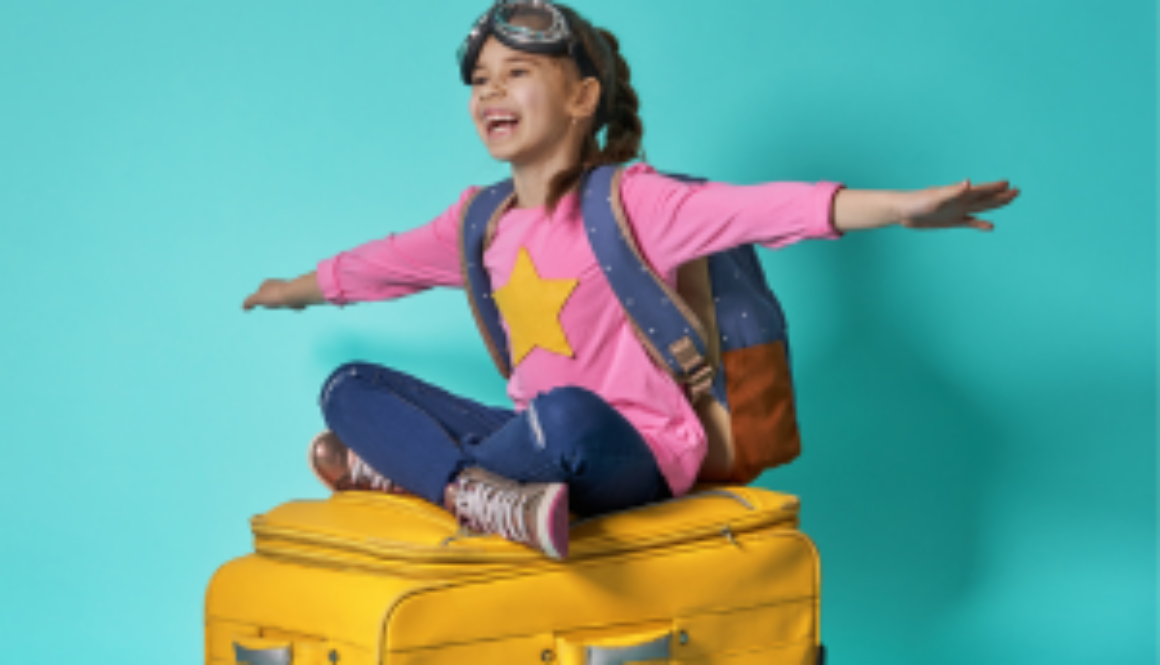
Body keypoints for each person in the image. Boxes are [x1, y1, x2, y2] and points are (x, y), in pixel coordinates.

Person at [242, 0, 1020, 561]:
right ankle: (475, 493)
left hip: (624, 450)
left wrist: (904, 207)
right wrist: (295, 287)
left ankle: (417, 473)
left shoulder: (633, 201)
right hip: (528, 445)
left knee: (567, 417)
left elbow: (764, 208)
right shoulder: (479, 221)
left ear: (583, 99)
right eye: (480, 80)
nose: (491, 92)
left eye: (517, 72)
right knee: (348, 386)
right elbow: (385, 264)